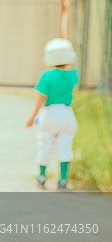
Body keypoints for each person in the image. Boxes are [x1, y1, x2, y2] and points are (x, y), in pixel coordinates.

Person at [25, 37, 79, 189]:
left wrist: (32, 117)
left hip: (49, 114)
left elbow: (41, 98)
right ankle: (63, 180)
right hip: (67, 113)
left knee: (45, 145)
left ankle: (42, 177)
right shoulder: (73, 75)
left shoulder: (47, 76)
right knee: (65, 146)